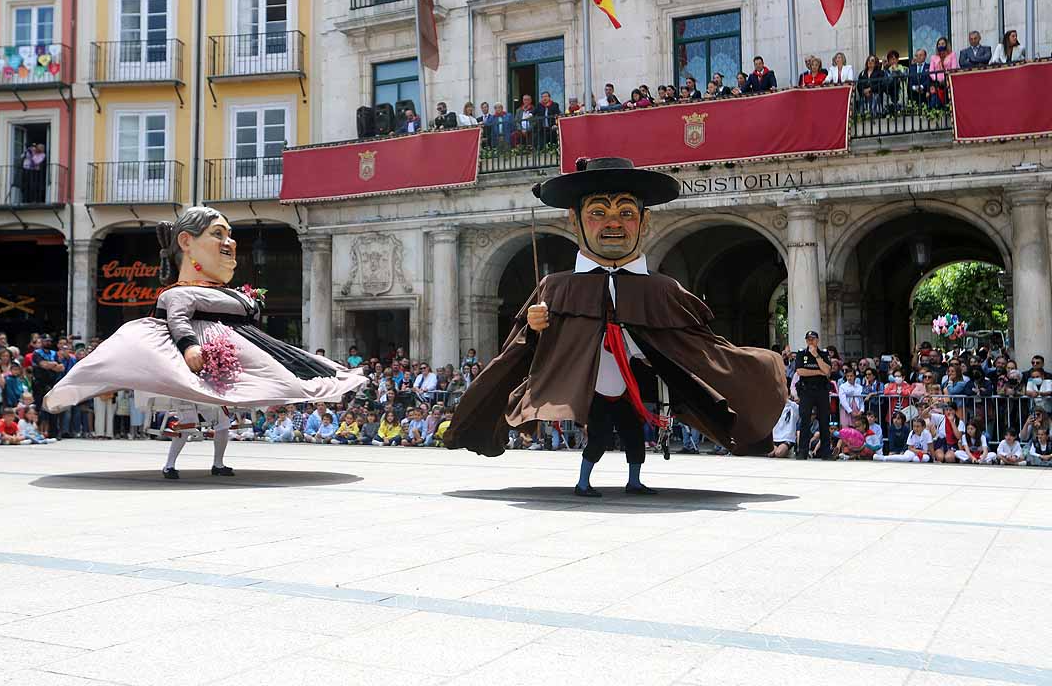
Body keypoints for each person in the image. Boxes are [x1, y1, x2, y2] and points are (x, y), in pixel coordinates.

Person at [444, 157, 787, 496]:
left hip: (629, 390)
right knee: (600, 439)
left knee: (634, 438)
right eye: (598, 213)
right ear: (575, 221)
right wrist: (534, 326)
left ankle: (634, 479)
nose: (613, 223)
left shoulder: (664, 289)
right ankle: (584, 481)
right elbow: (518, 353)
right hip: (592, 390)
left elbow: (699, 347)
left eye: (626, 213)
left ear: (644, 221)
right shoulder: (556, 286)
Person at [42, 206, 366, 478]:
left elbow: (250, 324)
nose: (230, 242)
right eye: (218, 234)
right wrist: (189, 347)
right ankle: (170, 465)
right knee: (186, 424)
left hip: (230, 362)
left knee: (225, 419)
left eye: (229, 234)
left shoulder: (232, 294)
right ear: (186, 241)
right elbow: (178, 319)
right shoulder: (178, 292)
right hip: (196, 366)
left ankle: (218, 462)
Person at [794, 330, 832, 460]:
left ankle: (826, 452)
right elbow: (800, 371)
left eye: (813, 339)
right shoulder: (801, 353)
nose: (810, 341)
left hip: (821, 391)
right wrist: (818, 372)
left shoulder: (823, 354)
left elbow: (827, 371)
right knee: (805, 420)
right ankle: (803, 451)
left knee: (824, 421)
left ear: (817, 340)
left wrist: (816, 355)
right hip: (806, 391)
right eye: (808, 339)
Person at [928, 37, 958, 108]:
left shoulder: (952, 55)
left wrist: (946, 79)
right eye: (939, 44)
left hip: (948, 81)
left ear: (946, 45)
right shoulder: (933, 57)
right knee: (935, 102)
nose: (941, 45)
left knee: (948, 101)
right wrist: (937, 80)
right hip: (937, 83)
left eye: (942, 44)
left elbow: (954, 68)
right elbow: (931, 71)